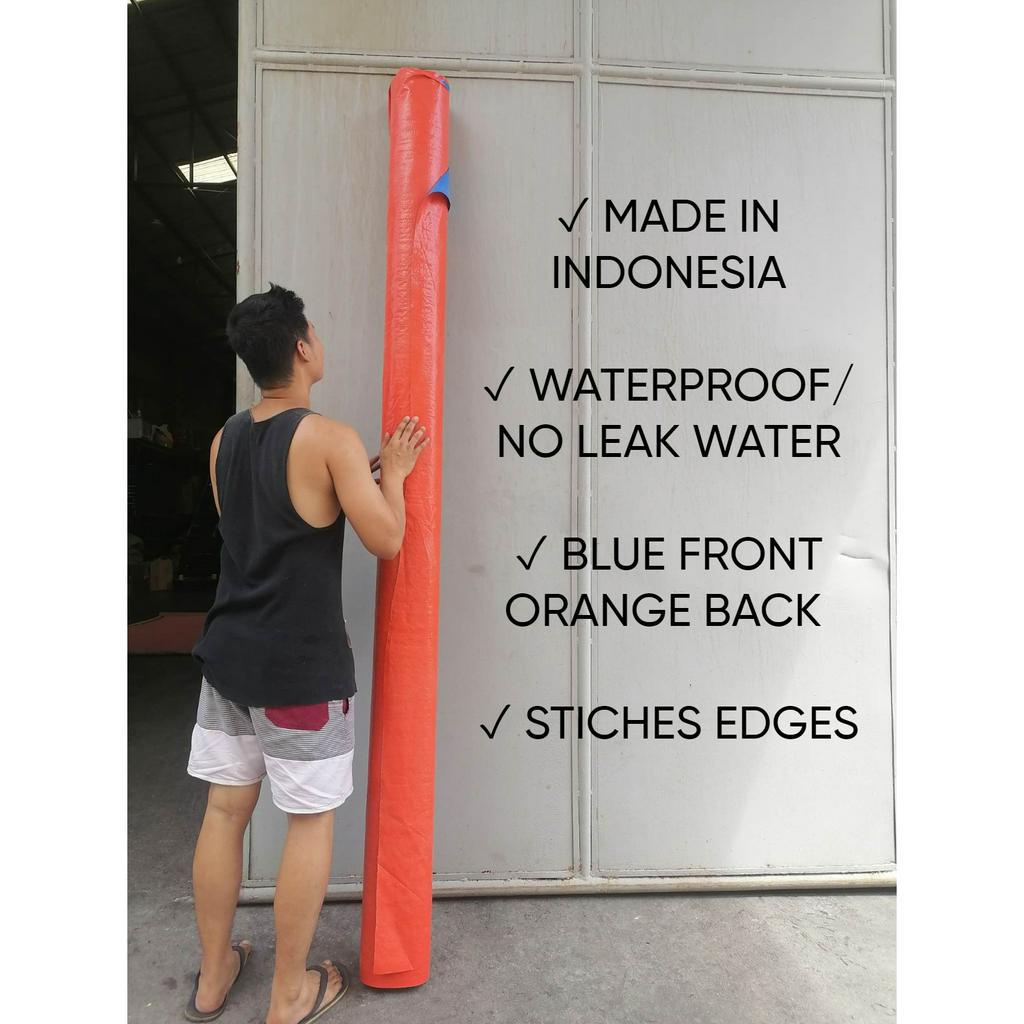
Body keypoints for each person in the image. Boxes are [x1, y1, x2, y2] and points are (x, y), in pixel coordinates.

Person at [184, 283, 429, 1024]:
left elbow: (259, 531)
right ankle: (288, 994)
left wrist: (358, 480)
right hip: (299, 672)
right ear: (300, 347)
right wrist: (395, 476)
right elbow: (387, 539)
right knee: (309, 822)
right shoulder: (330, 440)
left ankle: (212, 979)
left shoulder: (225, 440)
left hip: (228, 660)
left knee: (224, 813)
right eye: (313, 333)